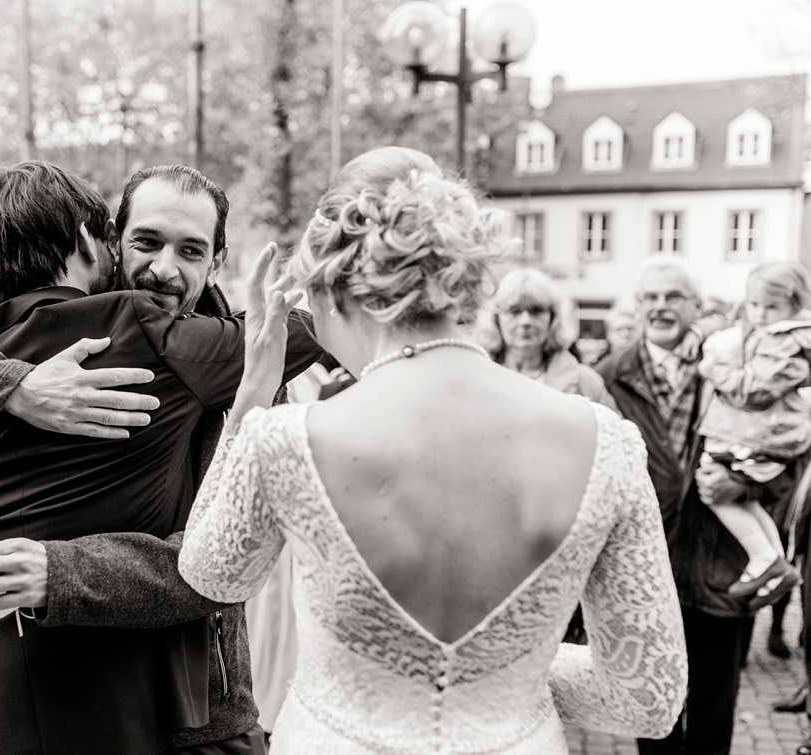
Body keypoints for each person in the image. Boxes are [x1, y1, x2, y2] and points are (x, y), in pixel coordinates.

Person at [175, 167, 688, 753]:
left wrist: (251, 393)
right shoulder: (606, 444)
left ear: (333, 291)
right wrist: (500, 676)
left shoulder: (285, 440)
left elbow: (210, 576)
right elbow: (648, 697)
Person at [0, 161, 324, 753]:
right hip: (133, 700)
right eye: (144, 242)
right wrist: (17, 387)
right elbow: (309, 325)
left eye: (192, 251)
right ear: (101, 241)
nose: (163, 269)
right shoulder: (156, 340)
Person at [595, 257, 780, 755]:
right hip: (642, 578)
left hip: (719, 570)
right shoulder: (608, 377)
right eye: (650, 297)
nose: (661, 306)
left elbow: (785, 453)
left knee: (713, 719)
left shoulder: (733, 369)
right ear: (636, 308)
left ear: (695, 305)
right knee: (654, 714)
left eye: (674, 296)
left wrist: (747, 485)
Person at [695, 262, 811, 594]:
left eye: (771, 306)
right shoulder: (779, 335)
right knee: (745, 500)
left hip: (758, 435)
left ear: (794, 303)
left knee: (711, 479)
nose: (760, 313)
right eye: (754, 304)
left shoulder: (782, 340)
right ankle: (775, 562)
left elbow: (752, 391)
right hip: (766, 433)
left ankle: (763, 557)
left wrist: (714, 370)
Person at [479, 268, 616, 410]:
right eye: (514, 311)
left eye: (536, 311)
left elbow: (615, 430)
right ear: (495, 318)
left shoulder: (586, 383)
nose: (525, 321)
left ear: (553, 318)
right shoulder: (476, 377)